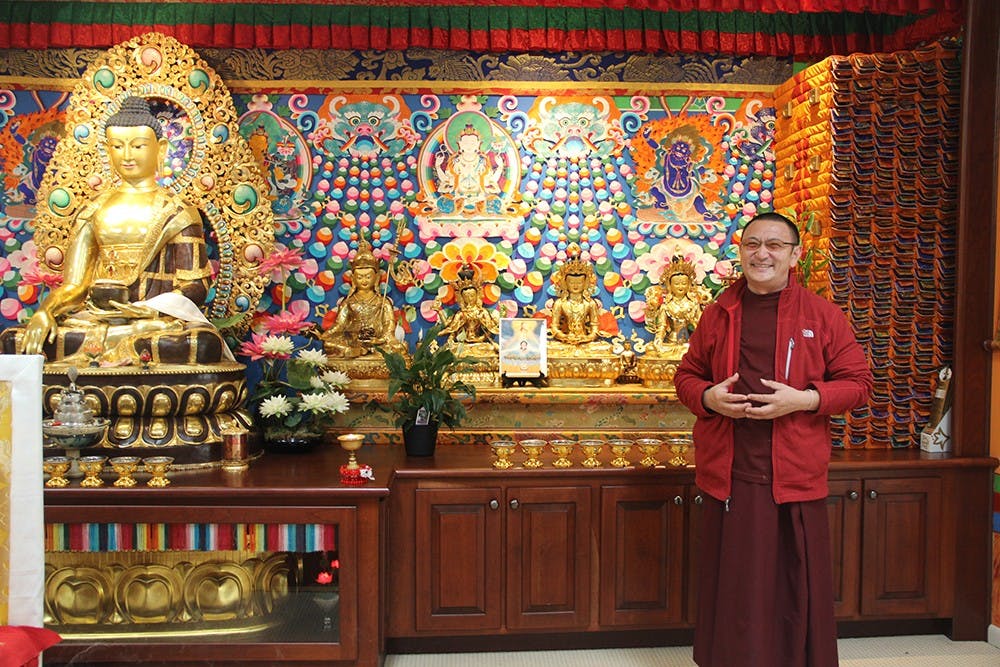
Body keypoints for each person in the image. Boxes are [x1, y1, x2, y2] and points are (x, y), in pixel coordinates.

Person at [673, 212, 872, 667]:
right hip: (731, 475)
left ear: (795, 254)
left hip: (793, 477)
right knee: (736, 588)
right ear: (741, 252)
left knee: (791, 588)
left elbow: (859, 384)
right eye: (752, 244)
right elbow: (686, 376)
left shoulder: (821, 315)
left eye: (775, 245)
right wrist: (708, 398)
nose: (762, 253)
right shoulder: (719, 312)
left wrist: (803, 400)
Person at [3, 96, 232, 366]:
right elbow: (75, 285)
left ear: (161, 148)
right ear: (106, 149)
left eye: (138, 145)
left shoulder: (178, 212)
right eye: (118, 146)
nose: (127, 155)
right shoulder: (94, 211)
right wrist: (46, 310)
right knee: (15, 340)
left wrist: (146, 311)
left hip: (155, 323)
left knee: (202, 345)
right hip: (96, 320)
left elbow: (195, 285)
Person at [321, 235, 407, 359]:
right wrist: (324, 335)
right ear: (353, 279)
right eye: (360, 277)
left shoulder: (382, 302)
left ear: (376, 278)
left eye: (368, 276)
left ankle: (363, 352)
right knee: (329, 344)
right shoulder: (349, 302)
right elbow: (339, 325)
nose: (364, 281)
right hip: (353, 343)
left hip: (378, 344)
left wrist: (379, 340)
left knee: (399, 347)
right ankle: (354, 351)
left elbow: (389, 326)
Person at [646, 257, 705, 355]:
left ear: (689, 285)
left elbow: (701, 326)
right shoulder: (666, 305)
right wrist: (658, 341)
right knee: (651, 349)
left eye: (684, 283)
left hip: (690, 342)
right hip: (671, 343)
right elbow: (662, 326)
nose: (681, 287)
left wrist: (692, 322)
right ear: (670, 286)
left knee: (693, 350)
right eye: (677, 284)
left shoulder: (694, 304)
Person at [432, 269, 500, 353]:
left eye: (472, 296)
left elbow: (490, 330)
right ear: (462, 298)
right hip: (463, 344)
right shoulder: (461, 314)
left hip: (480, 344)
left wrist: (481, 338)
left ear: (477, 295)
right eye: (466, 297)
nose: (469, 299)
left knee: (490, 349)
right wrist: (439, 311)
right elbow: (449, 327)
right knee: (452, 351)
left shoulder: (482, 312)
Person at [548, 256, 604, 348]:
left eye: (579, 282)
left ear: (585, 283)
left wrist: (587, 338)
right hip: (566, 342)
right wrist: (565, 337)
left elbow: (595, 330)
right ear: (565, 283)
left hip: (585, 341)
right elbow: (554, 328)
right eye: (571, 282)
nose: (575, 285)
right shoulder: (560, 303)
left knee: (604, 347)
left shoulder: (590, 303)